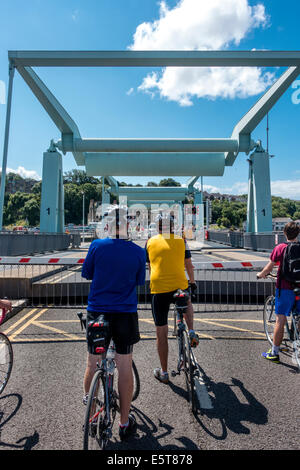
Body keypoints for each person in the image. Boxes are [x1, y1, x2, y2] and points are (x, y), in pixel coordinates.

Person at [81, 206, 146, 440]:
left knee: (93, 363)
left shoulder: (96, 246)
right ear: (129, 225)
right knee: (124, 366)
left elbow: (87, 273)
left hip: (97, 311)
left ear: (108, 224)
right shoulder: (139, 252)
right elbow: (139, 281)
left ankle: (92, 414)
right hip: (125, 314)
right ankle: (124, 422)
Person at [145, 212, 199, 384]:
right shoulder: (182, 241)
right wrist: (192, 282)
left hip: (159, 288)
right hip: (179, 285)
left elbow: (148, 265)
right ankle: (191, 331)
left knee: (161, 332)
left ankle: (165, 372)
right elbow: (188, 264)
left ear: (158, 227)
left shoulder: (150, 242)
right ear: (173, 227)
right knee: (187, 300)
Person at [257, 221, 300, 363]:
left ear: (284, 233)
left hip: (285, 289)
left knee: (280, 320)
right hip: (299, 287)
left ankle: (274, 352)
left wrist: (261, 274)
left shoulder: (280, 248)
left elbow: (269, 268)